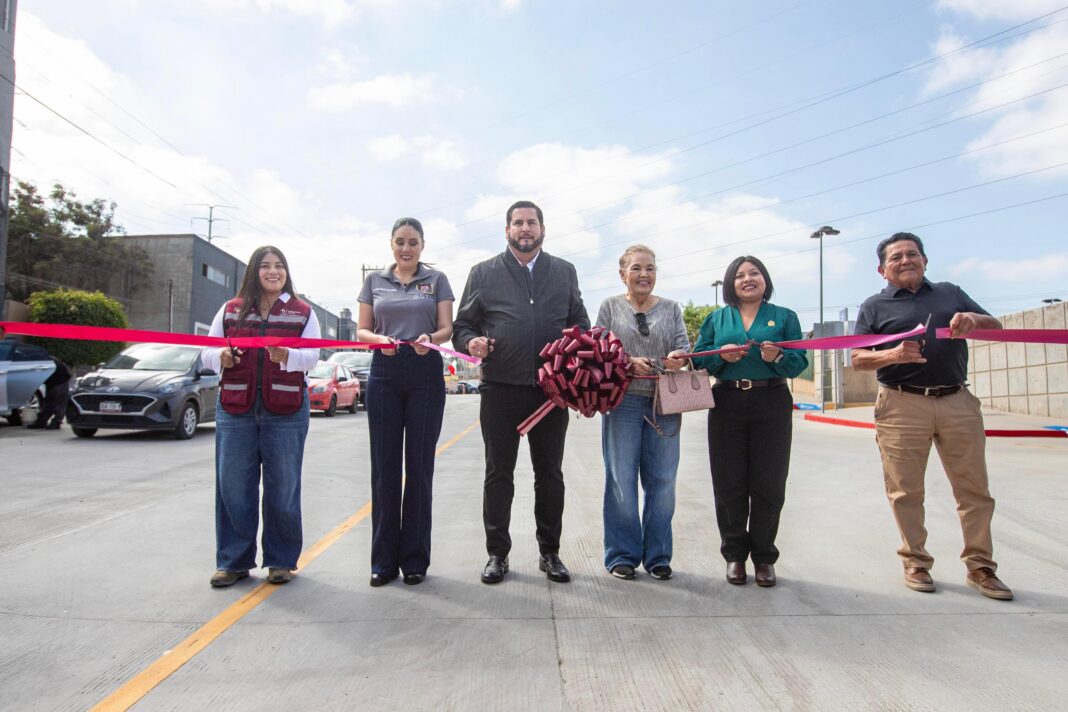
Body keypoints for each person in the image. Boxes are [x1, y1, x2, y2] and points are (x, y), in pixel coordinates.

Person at [852, 232, 1012, 600]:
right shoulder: (873, 307)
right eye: (896, 257)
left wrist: (973, 318)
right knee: (905, 490)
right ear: (882, 269)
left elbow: (998, 329)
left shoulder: (951, 294)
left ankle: (981, 566)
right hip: (901, 404)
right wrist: (892, 355)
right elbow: (858, 359)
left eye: (912, 254)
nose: (905, 260)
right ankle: (916, 560)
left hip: (957, 400)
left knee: (974, 490)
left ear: (925, 260)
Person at [453, 200, 590, 585]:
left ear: (543, 229)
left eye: (531, 222)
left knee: (550, 475)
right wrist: (472, 342)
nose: (525, 229)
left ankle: (550, 552)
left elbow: (580, 322)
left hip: (552, 392)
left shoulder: (564, 272)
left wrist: (574, 366)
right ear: (507, 230)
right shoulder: (483, 273)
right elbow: (463, 325)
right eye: (518, 223)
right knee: (499, 474)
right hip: (500, 389)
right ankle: (497, 554)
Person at [201, 246, 320, 588]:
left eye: (279, 266)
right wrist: (220, 357)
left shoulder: (302, 312)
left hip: (285, 410)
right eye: (265, 266)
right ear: (253, 271)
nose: (273, 272)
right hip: (236, 409)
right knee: (233, 487)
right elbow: (206, 350)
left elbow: (313, 356)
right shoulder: (230, 310)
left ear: (287, 272)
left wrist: (288, 356)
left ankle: (281, 560)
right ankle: (233, 561)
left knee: (283, 487)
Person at [691, 256, 808, 588]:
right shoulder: (717, 319)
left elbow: (799, 362)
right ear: (731, 284)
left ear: (765, 279)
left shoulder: (785, 318)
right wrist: (720, 356)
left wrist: (780, 356)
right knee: (729, 482)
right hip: (726, 402)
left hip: (771, 401)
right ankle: (734, 556)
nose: (747, 279)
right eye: (740, 275)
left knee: (769, 481)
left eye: (754, 273)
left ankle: (764, 557)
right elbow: (701, 361)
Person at [357, 217, 454, 587]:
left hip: (425, 371)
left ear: (423, 245)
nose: (406, 248)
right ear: (391, 244)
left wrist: (431, 336)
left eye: (413, 242)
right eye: (400, 241)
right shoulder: (374, 281)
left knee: (419, 467)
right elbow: (362, 329)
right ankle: (382, 561)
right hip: (385, 371)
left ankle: (414, 559)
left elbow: (447, 327)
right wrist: (377, 340)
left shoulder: (437, 280)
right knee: (384, 469)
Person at [595, 245, 689, 581]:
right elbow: (598, 351)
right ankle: (622, 554)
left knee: (662, 481)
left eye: (650, 268)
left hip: (665, 401)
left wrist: (679, 356)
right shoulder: (609, 307)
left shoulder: (672, 308)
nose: (644, 274)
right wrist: (626, 362)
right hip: (621, 402)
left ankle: (658, 556)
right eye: (636, 268)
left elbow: (684, 347)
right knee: (621, 479)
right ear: (622, 274)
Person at [27, 356, 71, 429]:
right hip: (53, 378)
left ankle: (56, 422)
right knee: (49, 401)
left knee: (59, 402)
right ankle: (41, 421)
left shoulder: (38, 362)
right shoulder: (37, 359)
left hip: (60, 378)